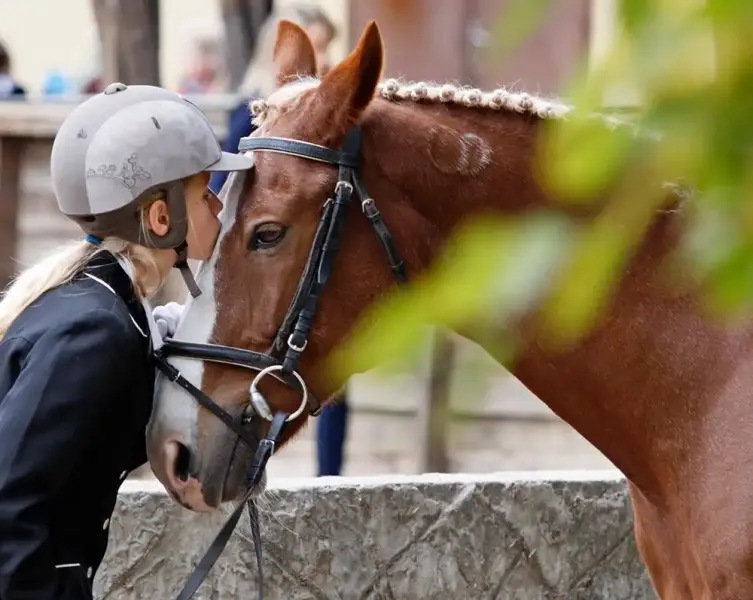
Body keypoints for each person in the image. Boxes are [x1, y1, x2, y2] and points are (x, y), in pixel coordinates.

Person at [0, 82, 253, 600]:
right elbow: (8, 508)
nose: (219, 208)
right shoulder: (94, 331)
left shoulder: (104, 307)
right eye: (207, 192)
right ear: (162, 218)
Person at [208, 3, 338, 195]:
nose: (326, 60)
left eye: (326, 48)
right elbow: (223, 182)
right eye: (317, 48)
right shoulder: (253, 111)